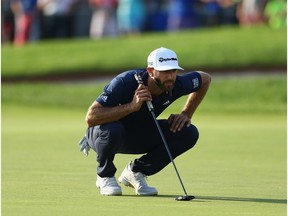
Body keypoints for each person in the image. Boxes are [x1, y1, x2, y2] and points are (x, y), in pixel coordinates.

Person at [79, 47, 211, 196]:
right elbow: (91, 117)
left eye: (173, 71)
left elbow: (205, 78)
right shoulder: (125, 82)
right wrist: (131, 107)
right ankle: (105, 176)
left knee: (188, 132)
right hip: (103, 134)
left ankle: (136, 172)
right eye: (165, 72)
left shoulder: (176, 84)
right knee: (113, 128)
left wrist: (186, 113)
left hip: (137, 134)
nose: (171, 76)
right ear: (150, 71)